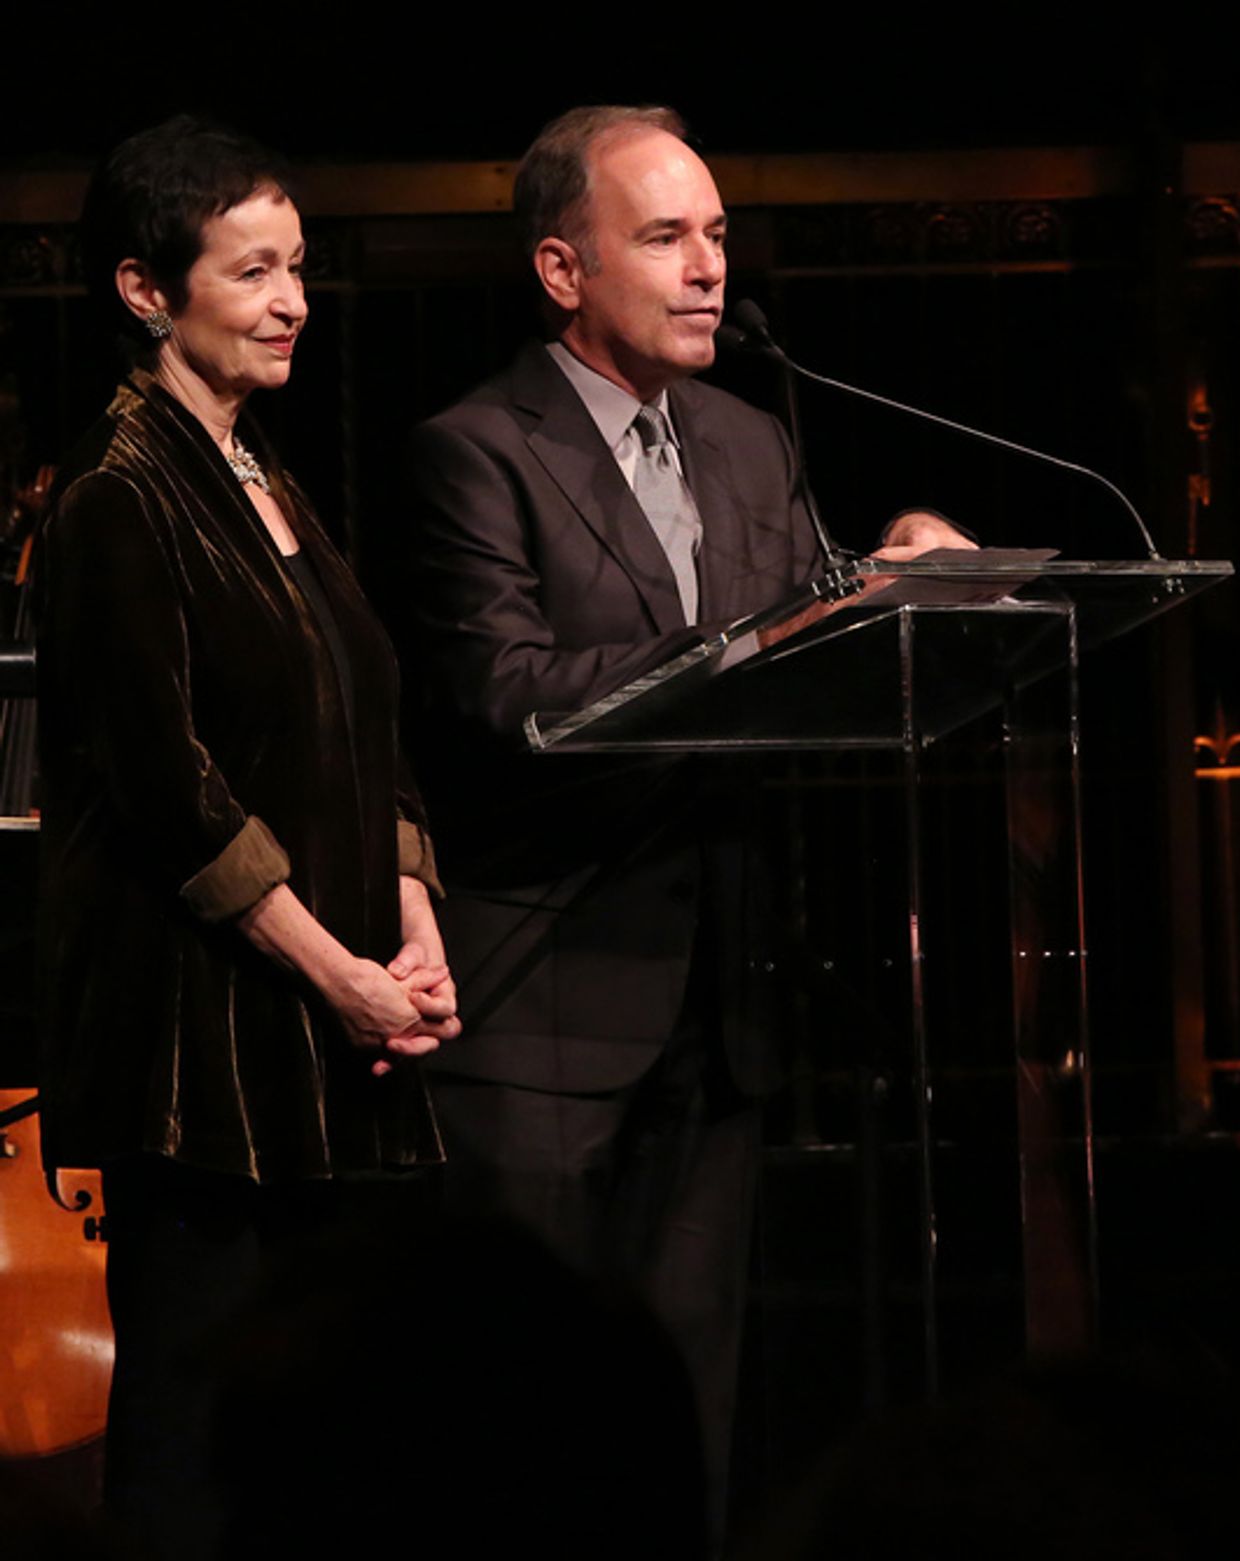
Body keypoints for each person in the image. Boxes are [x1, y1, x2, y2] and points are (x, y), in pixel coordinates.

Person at [402, 104, 971, 1539]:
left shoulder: (748, 438)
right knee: (519, 1438)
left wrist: (898, 573)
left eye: (716, 234)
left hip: (722, 1012)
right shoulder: (475, 448)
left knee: (681, 1422)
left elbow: (811, 627)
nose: (710, 266)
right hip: (541, 1008)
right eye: (665, 236)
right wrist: (758, 640)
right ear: (562, 269)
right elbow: (504, 692)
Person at [35, 116, 459, 1560]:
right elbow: (174, 793)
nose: (291, 299)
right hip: (201, 1061)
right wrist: (340, 973)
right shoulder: (117, 494)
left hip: (323, 1047)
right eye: (252, 271)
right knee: (191, 1448)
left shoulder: (261, 468)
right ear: (148, 292)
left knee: (320, 1448)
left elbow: (361, 708)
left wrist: (413, 920)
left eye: (297, 266)